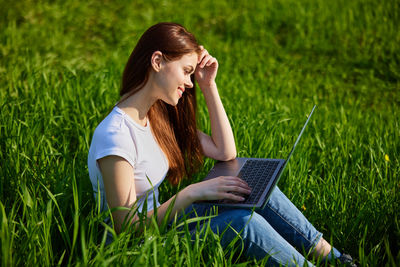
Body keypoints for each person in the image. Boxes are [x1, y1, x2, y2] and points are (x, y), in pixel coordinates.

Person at [87, 22, 355, 266]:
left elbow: (225, 152)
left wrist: (208, 85)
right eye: (186, 72)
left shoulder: (155, 117)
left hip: (163, 226)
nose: (188, 83)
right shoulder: (117, 136)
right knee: (242, 223)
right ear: (157, 61)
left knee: (252, 185)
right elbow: (126, 226)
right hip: (140, 251)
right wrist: (192, 193)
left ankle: (335, 258)